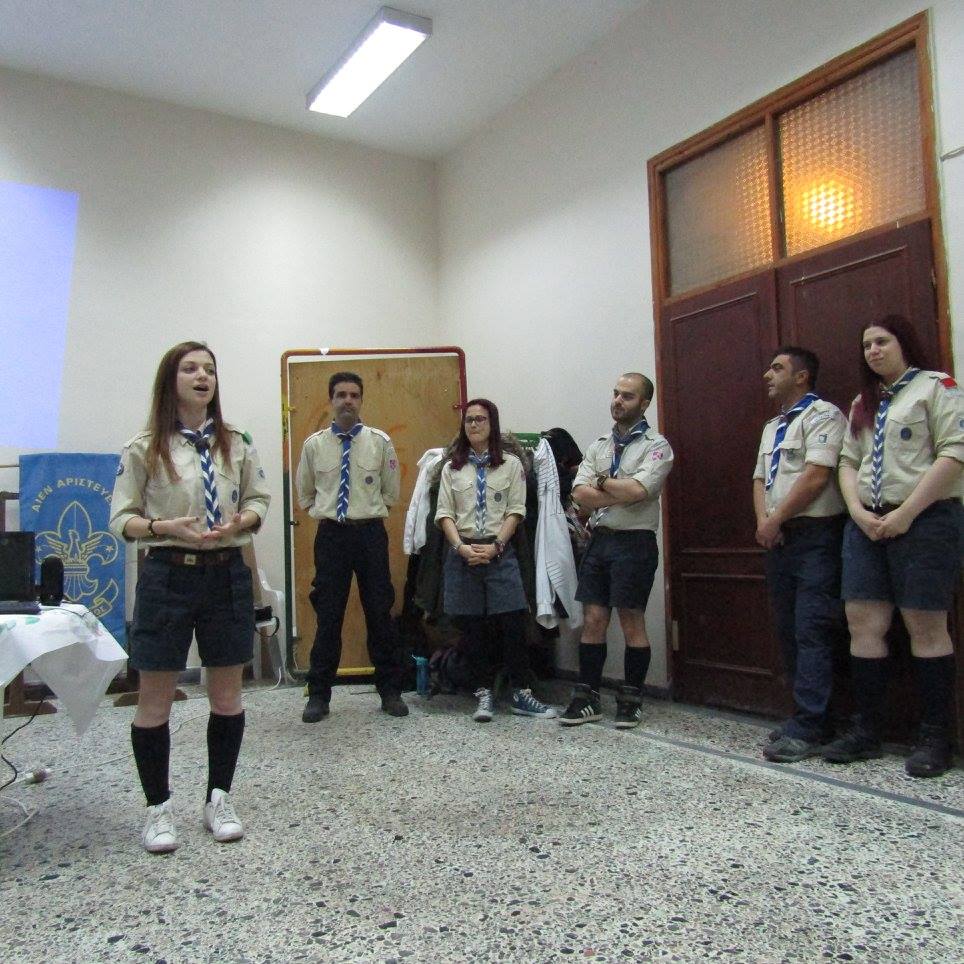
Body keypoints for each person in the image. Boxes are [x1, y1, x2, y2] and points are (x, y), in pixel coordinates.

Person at [110, 341, 270, 853]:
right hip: (167, 576)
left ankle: (218, 798)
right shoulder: (144, 446)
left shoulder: (236, 442)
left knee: (226, 696)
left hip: (225, 575)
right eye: (190, 369)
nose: (203, 377)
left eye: (210, 370)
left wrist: (242, 521)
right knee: (155, 699)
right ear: (171, 380)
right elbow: (121, 518)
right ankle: (157, 808)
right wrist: (163, 526)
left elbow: (259, 498)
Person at [822, 315, 963, 777]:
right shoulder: (863, 402)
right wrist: (858, 512)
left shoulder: (936, 388)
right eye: (867, 345)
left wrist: (907, 513)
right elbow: (848, 462)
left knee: (925, 625)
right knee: (863, 622)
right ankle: (867, 731)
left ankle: (936, 738)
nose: (873, 351)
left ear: (904, 343)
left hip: (925, 521)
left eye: (882, 341)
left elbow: (955, 452)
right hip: (867, 525)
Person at [435, 398, 558, 722]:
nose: (474, 425)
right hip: (463, 553)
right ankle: (483, 693)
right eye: (469, 420)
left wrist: (496, 546)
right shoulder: (451, 468)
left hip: (499, 552)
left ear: (492, 425)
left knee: (512, 621)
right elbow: (444, 513)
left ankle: (521, 693)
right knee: (473, 628)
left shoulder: (511, 465)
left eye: (480, 419)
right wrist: (460, 547)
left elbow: (516, 510)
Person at [562, 373, 674, 728]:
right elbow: (579, 495)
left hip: (635, 542)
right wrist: (617, 490)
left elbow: (640, 490)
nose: (617, 401)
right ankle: (587, 697)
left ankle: (631, 699)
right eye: (615, 394)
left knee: (631, 620)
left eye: (627, 396)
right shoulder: (599, 446)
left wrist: (600, 483)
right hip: (600, 540)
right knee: (594, 619)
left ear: (644, 403)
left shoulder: (658, 446)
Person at [752, 347, 848, 762]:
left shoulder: (823, 415)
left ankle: (813, 724)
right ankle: (802, 716)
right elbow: (760, 479)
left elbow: (815, 477)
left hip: (815, 537)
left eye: (777, 368)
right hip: (780, 539)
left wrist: (775, 520)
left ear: (802, 376)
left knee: (813, 629)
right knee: (789, 629)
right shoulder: (773, 426)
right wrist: (765, 522)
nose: (767, 374)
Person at [296, 372, 408, 722]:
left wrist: (364, 513)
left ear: (361, 400)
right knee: (328, 616)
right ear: (331, 400)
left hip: (370, 535)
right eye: (341, 395)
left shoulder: (380, 442)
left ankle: (390, 691)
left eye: (354, 395)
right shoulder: (314, 445)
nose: (348, 400)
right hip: (332, 537)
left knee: (379, 613)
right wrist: (329, 514)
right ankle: (318, 695)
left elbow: (390, 492)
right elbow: (305, 494)